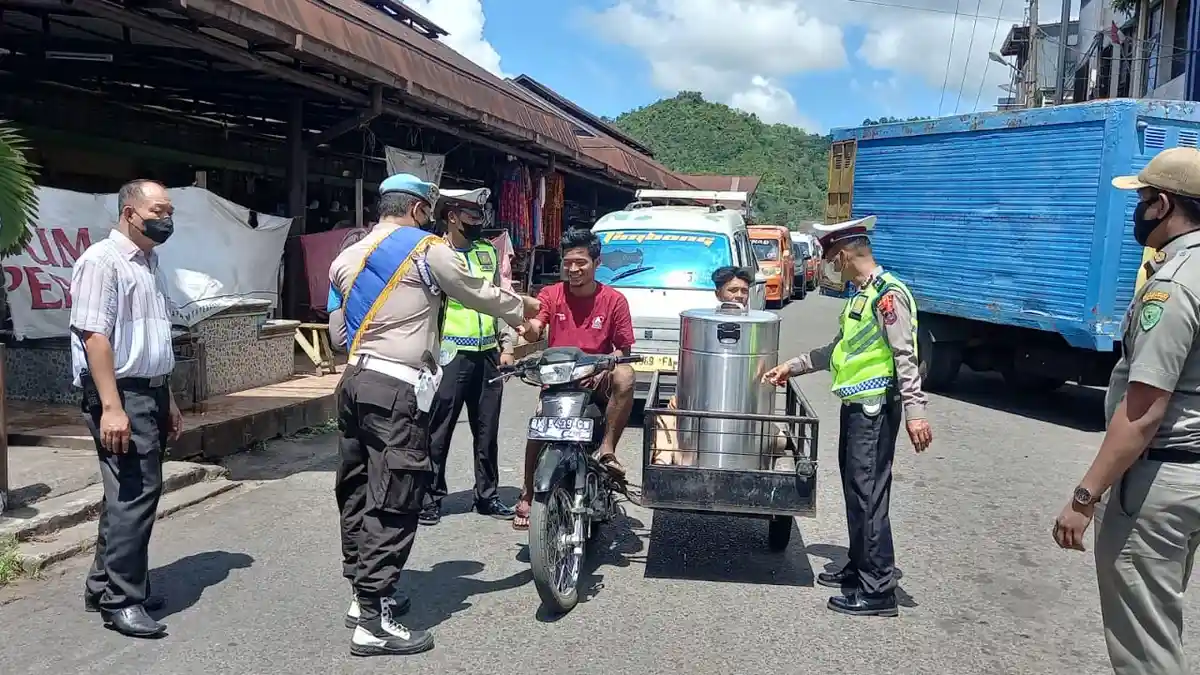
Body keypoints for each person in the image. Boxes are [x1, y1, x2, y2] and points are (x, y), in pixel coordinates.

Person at [329, 173, 538, 658]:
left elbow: (339, 332)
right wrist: (522, 306)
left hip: (355, 379)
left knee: (358, 489)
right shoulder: (425, 249)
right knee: (396, 495)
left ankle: (361, 598)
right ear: (422, 210)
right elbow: (474, 292)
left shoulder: (347, 256)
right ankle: (374, 622)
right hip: (397, 385)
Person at [1053, 146, 1200, 675]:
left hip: (1163, 477)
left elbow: (1143, 411)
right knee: (1160, 617)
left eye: (1141, 200)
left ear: (1163, 205)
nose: (1136, 211)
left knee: (1146, 647)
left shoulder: (1176, 284)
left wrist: (1084, 495)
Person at [762, 215, 933, 618]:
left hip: (875, 410)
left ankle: (878, 590)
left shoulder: (889, 296)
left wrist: (915, 413)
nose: (828, 266)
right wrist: (794, 365)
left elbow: (905, 356)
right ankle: (859, 568)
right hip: (857, 408)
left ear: (842, 255)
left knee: (869, 495)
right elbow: (839, 349)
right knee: (857, 491)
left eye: (830, 258)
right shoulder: (862, 295)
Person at [70, 179, 184, 639]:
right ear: (129, 213)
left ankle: (104, 584)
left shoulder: (150, 262)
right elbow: (94, 337)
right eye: (159, 210)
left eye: (170, 210)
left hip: (149, 391)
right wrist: (112, 407)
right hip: (121, 394)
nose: (167, 219)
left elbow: (152, 338)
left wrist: (168, 397)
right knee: (135, 495)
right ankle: (121, 599)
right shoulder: (102, 261)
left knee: (129, 496)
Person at [511, 228, 636, 530]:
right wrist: (524, 328)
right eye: (568, 262)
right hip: (559, 379)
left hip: (598, 377)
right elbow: (536, 326)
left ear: (596, 262)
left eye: (581, 262)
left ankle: (607, 448)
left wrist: (605, 367)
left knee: (627, 374)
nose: (573, 269)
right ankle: (528, 491)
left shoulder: (614, 300)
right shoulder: (552, 294)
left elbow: (624, 349)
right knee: (538, 428)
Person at [420, 188, 516, 525]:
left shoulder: (488, 252)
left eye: (481, 215)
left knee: (487, 429)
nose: (479, 222)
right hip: (450, 353)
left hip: (487, 352)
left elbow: (501, 299)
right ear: (452, 217)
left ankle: (487, 496)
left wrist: (508, 345)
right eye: (472, 216)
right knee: (438, 429)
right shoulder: (433, 255)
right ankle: (430, 498)